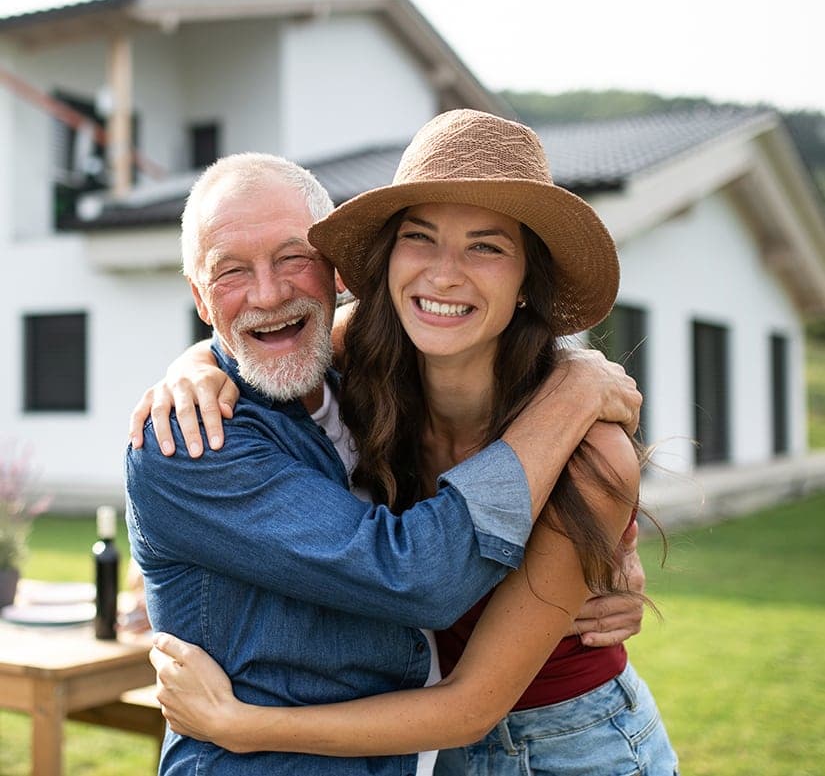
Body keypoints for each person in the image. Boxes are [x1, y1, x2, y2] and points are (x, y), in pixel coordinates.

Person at [139, 110, 678, 774]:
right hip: (433, 751)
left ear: (526, 282)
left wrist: (241, 726)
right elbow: (264, 331)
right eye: (419, 238)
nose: (444, 275)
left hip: (573, 745)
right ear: (387, 260)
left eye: (485, 247)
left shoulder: (589, 455)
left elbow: (471, 703)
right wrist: (192, 365)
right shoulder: (368, 365)